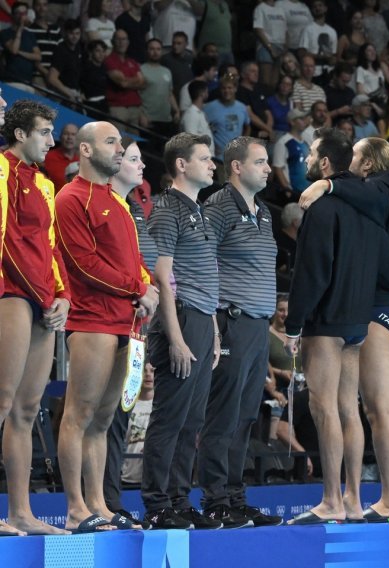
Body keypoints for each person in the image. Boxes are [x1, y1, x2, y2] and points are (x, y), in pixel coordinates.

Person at [284, 128, 389, 524]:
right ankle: (354, 500)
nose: (306, 160)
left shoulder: (321, 208)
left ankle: (330, 501)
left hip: (327, 321)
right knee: (347, 410)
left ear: (325, 164)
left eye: (310, 155)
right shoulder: (370, 210)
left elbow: (312, 272)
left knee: (324, 409)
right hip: (359, 321)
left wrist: (293, 325)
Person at [56, 123, 158, 534]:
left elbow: (132, 261)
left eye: (120, 142)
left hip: (126, 322)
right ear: (85, 149)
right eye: (111, 142)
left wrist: (147, 286)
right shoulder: (71, 198)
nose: (119, 149)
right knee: (78, 415)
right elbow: (82, 263)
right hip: (92, 320)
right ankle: (76, 507)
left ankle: (98, 502)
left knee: (103, 420)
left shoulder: (116, 201)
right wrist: (139, 287)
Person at [197, 137, 283, 527]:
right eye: (261, 162)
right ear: (236, 167)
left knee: (247, 416)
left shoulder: (263, 210)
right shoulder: (218, 206)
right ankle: (216, 499)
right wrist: (213, 324)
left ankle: (235, 496)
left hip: (258, 326)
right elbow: (199, 260)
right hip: (230, 322)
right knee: (223, 416)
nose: (268, 168)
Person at [141, 133, 221, 530]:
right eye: (205, 159)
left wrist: (214, 330)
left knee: (192, 420)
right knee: (171, 417)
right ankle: (157, 504)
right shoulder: (167, 209)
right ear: (181, 165)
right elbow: (162, 275)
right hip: (181, 319)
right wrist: (174, 336)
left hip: (202, 320)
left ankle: (178, 499)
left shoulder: (199, 210)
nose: (213, 165)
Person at [0, 100, 68, 537]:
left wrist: (60, 294)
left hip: (43, 300)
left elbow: (49, 246)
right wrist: (38, 293)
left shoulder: (45, 185)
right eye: (44, 132)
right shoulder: (0, 170)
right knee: (2, 400)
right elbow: (4, 240)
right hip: (10, 292)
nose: (52, 140)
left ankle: (21, 512)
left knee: (26, 409)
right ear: (21, 134)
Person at [204, 75, 251, 161]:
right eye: (223, 88)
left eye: (230, 88)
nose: (226, 91)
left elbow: (247, 126)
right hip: (217, 158)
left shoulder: (242, 107)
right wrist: (211, 146)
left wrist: (243, 144)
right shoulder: (209, 107)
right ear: (220, 89)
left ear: (235, 89)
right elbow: (202, 128)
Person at [140, 38, 181, 134]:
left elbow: (170, 93)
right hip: (148, 119)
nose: (155, 52)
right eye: (152, 49)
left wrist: (177, 110)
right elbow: (135, 95)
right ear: (147, 51)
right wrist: (141, 115)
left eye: (158, 49)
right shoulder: (140, 69)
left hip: (166, 119)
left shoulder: (167, 71)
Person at [44, 122, 79, 192]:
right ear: (60, 136)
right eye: (66, 134)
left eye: (73, 134)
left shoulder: (82, 161)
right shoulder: (46, 157)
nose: (69, 137)